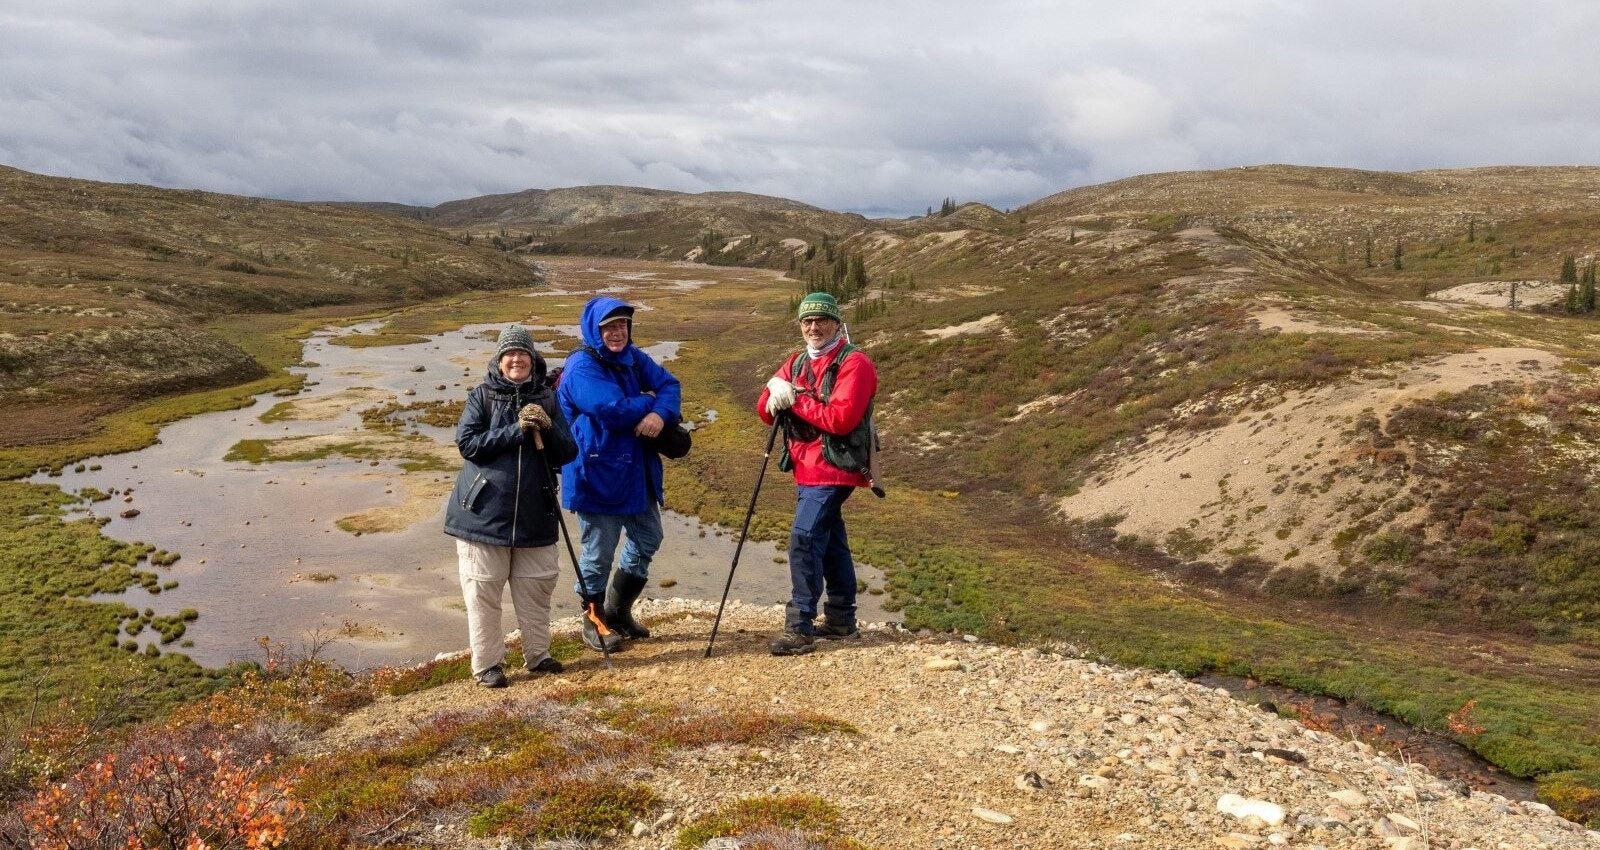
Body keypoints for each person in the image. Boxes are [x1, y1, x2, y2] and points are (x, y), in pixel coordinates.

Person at [444, 324, 577, 688]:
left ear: (533, 359)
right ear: (500, 360)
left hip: (536, 515)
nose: (516, 359)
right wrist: (516, 430)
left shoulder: (549, 398)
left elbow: (567, 452)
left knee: (535, 589)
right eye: (509, 354)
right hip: (483, 516)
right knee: (483, 592)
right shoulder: (483, 395)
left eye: (523, 354)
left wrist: (547, 428)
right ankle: (488, 665)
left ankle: (539, 656)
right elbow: (468, 444)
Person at [557, 296, 683, 653]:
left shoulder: (632, 356)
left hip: (635, 472)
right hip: (596, 474)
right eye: (609, 327)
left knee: (648, 537)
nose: (617, 333)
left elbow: (670, 385)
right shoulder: (582, 366)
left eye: (623, 325)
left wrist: (659, 414)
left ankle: (618, 611)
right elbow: (609, 408)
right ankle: (594, 623)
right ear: (594, 330)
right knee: (598, 553)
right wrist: (649, 400)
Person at [756, 292, 879, 656]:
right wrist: (774, 393)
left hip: (836, 467)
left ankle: (799, 626)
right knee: (829, 538)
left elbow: (841, 420)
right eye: (807, 321)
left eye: (822, 320)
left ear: (837, 323)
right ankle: (841, 618)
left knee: (805, 537)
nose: (814, 327)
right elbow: (766, 412)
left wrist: (794, 398)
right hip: (806, 466)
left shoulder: (855, 363)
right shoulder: (795, 363)